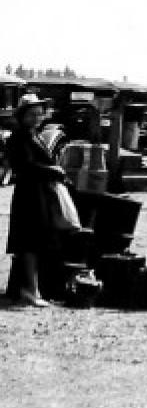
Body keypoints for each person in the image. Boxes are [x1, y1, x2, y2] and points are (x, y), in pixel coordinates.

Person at [5, 94, 80, 307]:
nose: (37, 117)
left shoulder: (34, 135)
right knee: (29, 242)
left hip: (39, 192)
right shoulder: (19, 137)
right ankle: (30, 290)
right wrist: (54, 170)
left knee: (37, 241)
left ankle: (28, 288)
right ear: (22, 116)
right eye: (32, 114)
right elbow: (24, 167)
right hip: (29, 194)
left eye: (39, 113)